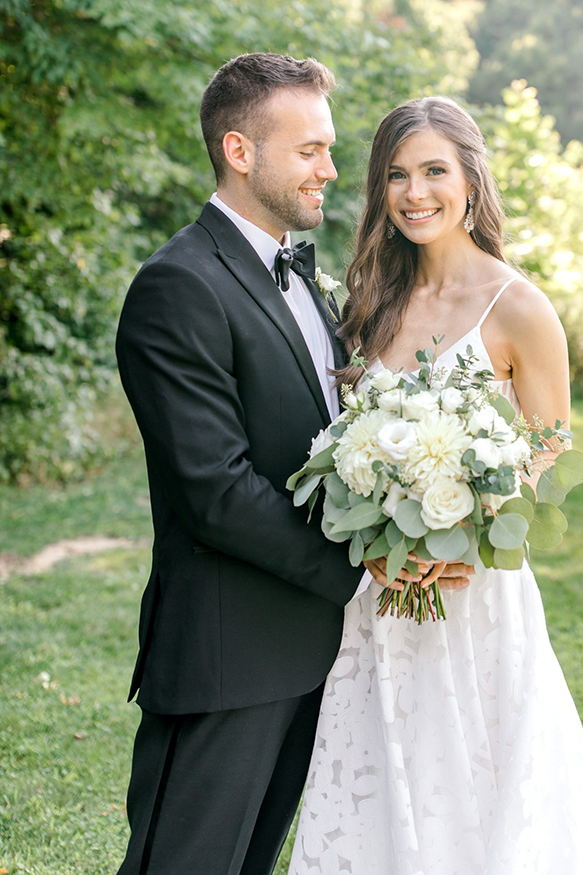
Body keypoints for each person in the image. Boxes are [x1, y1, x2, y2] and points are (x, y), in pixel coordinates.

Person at [289, 97, 583, 874]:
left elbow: (552, 450)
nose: (416, 192)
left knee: (487, 787)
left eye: (434, 171)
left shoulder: (518, 305)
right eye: (396, 175)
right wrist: (385, 525)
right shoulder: (370, 306)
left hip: (474, 592)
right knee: (382, 775)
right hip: (380, 594)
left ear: (471, 180)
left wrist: (475, 522)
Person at [114, 53, 366, 875]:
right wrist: (358, 572)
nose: (330, 168)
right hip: (228, 657)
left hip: (305, 651)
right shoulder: (178, 285)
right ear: (240, 150)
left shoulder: (301, 274)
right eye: (311, 150)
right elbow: (214, 489)